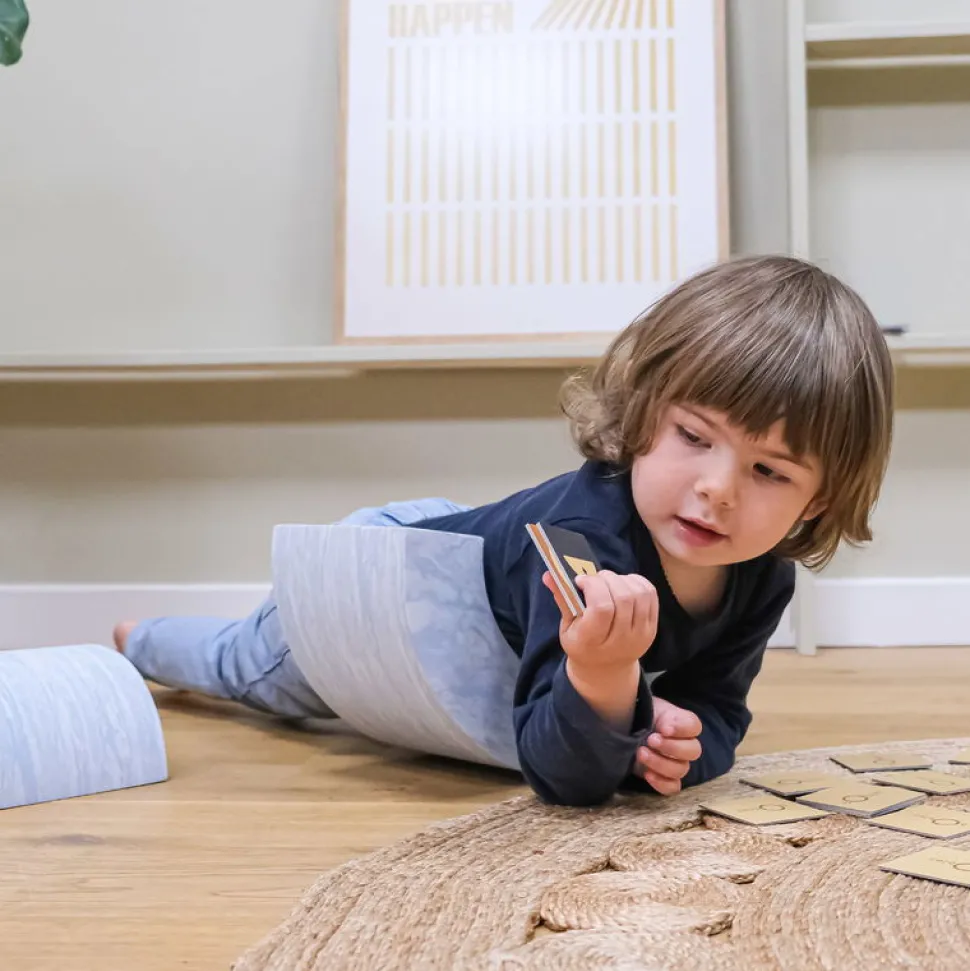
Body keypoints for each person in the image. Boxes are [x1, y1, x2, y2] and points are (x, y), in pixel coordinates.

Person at [114, 255, 894, 807]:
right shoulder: (581, 543)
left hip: (468, 567)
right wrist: (600, 676)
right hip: (383, 581)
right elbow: (559, 774)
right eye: (694, 436)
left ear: (818, 501)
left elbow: (716, 707)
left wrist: (680, 750)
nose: (716, 489)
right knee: (246, 666)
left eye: (770, 473)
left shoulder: (762, 574)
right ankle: (141, 640)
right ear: (648, 410)